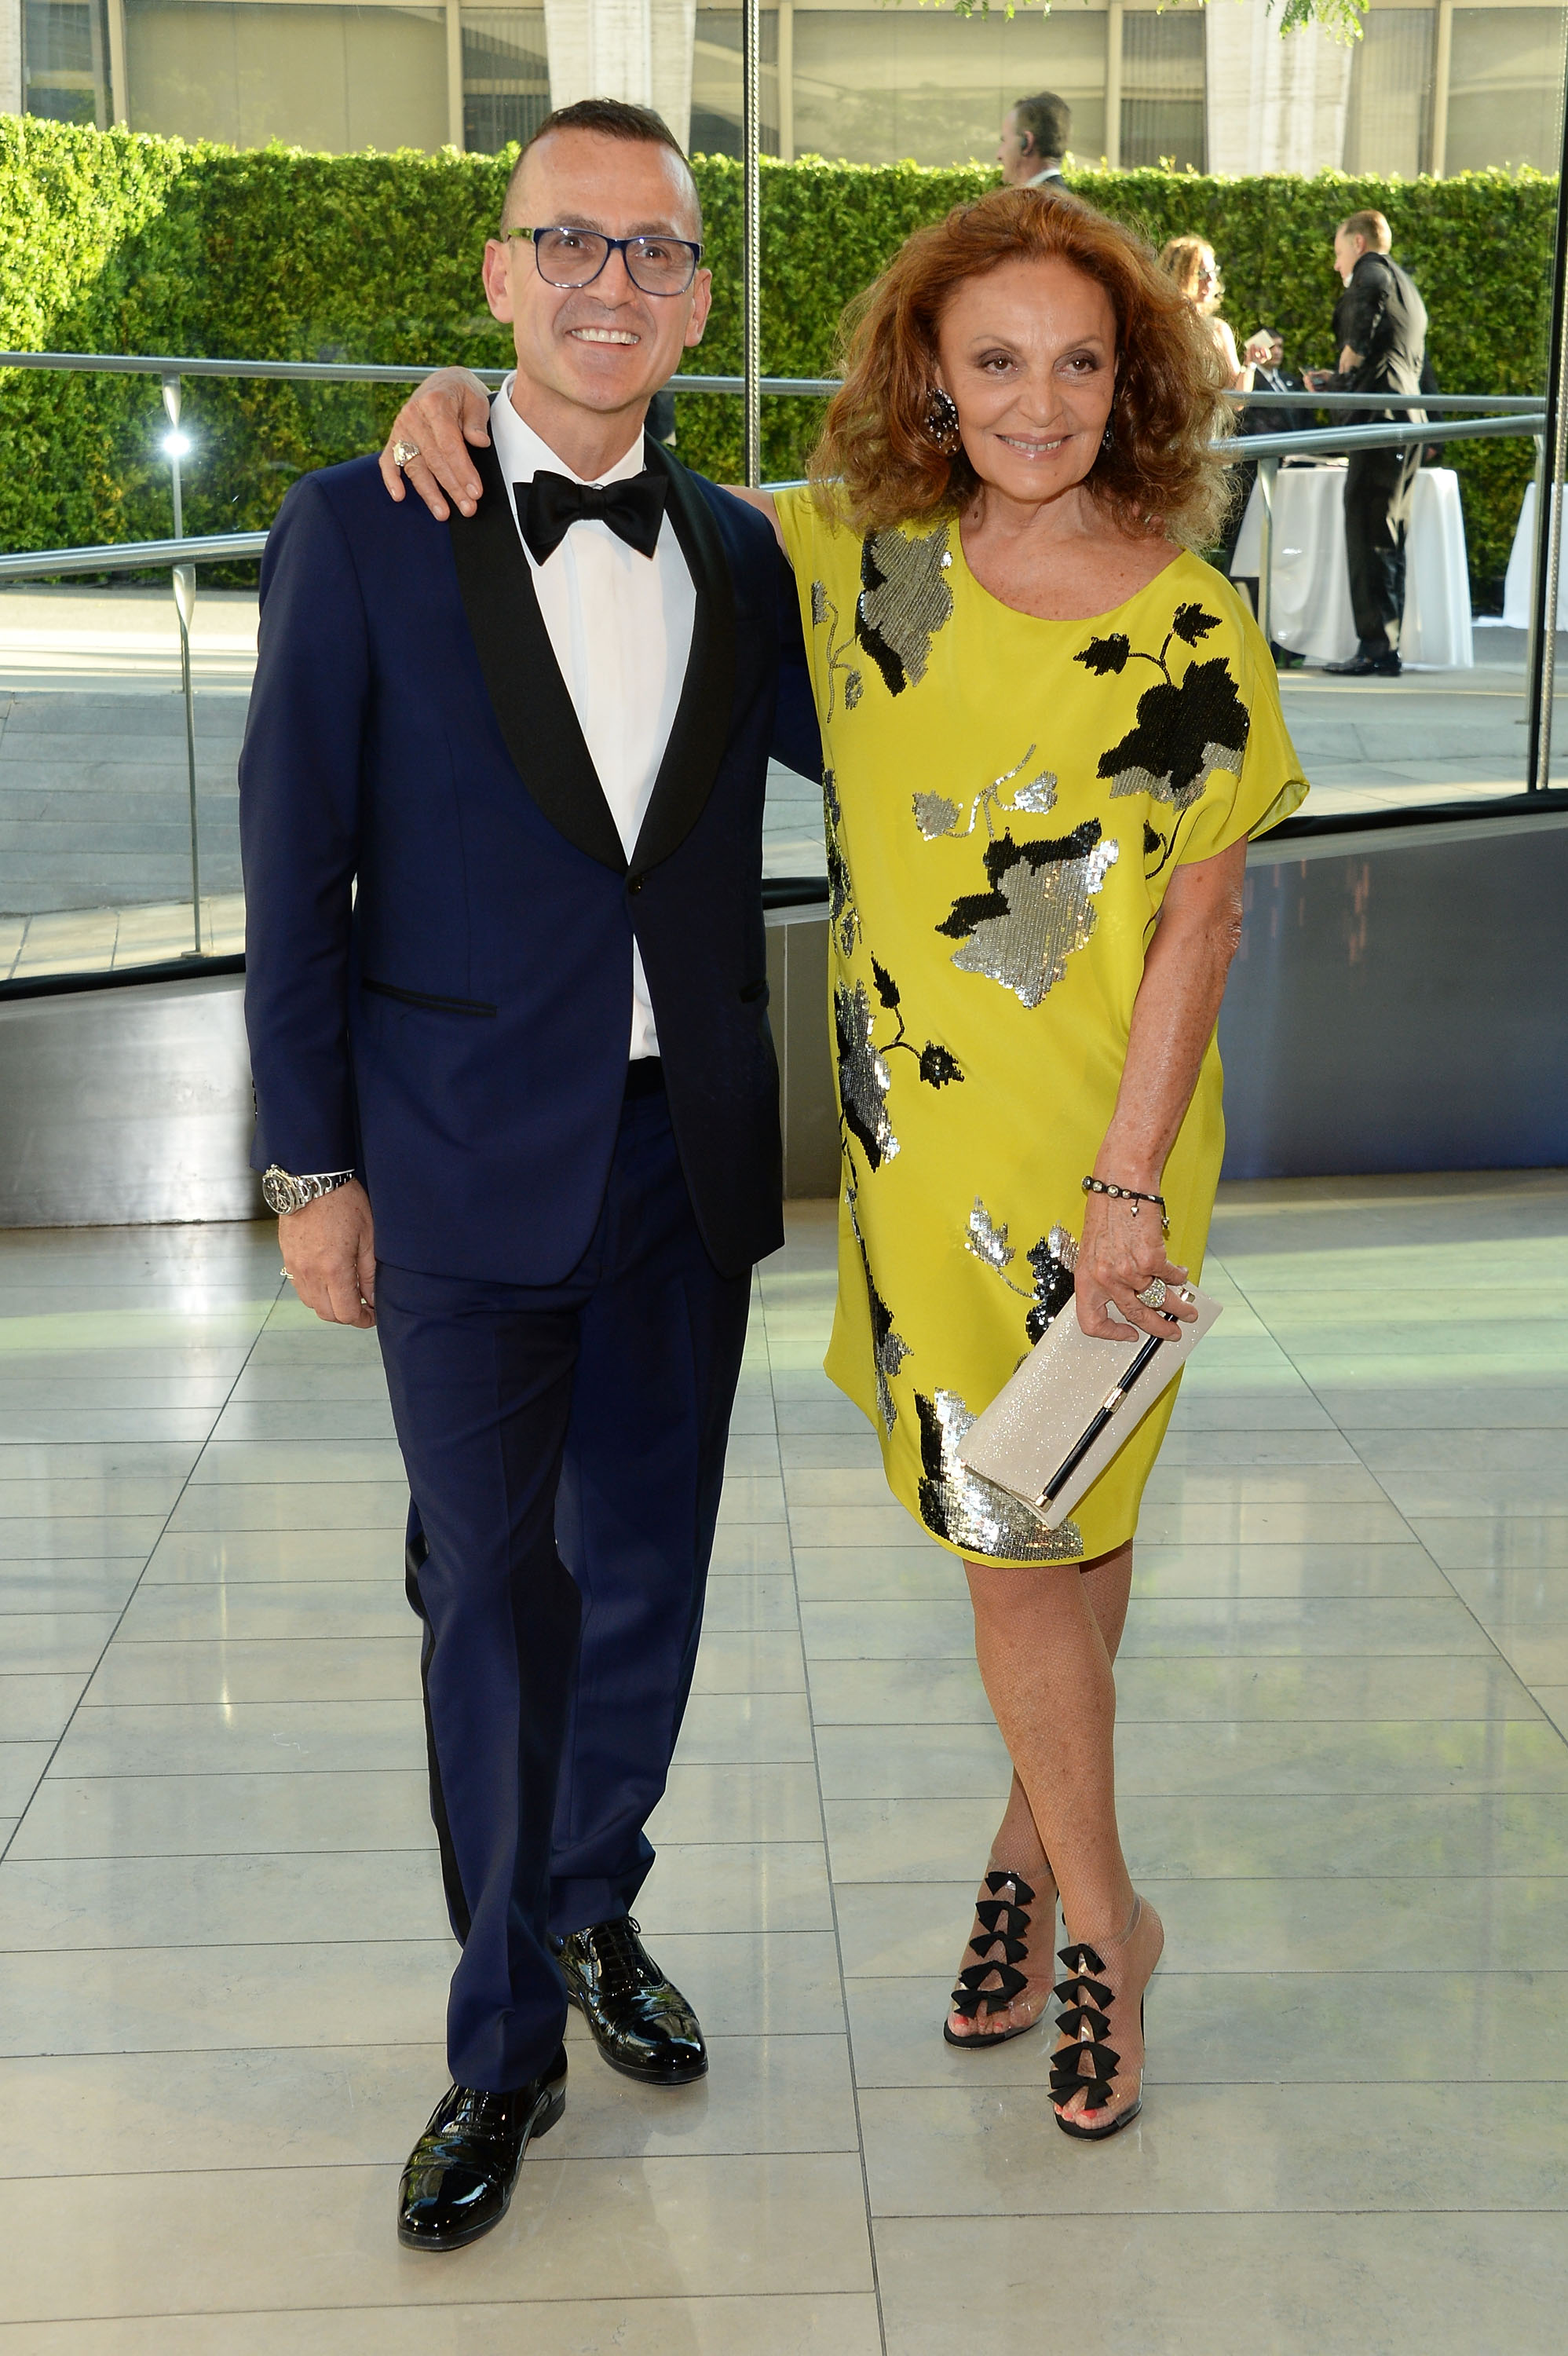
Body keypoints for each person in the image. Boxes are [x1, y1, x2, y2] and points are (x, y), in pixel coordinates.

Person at [382, 187, 1309, 2140]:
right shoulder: (863, 566)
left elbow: (1202, 927)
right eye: (995, 361)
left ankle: (1104, 1921)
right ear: (930, 378)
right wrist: (456, 391)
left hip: (1101, 1162)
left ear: (1131, 377)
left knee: (1017, 1534)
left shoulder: (1187, 620)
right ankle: (1028, 1835)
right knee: (1061, 1511)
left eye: (1079, 360)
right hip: (915, 1160)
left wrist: (1128, 1180)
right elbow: (610, 488)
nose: (1038, 402)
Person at [240, 96, 816, 2255]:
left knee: (646, 1580)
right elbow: (294, 872)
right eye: (562, 242)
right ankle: (496, 2043)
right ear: (496, 275)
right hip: (460, 1165)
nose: (607, 283)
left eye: (654, 251)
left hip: (685, 1160)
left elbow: (922, 731)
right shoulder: (360, 523)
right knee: (489, 1601)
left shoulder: (748, 557)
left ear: (692, 296)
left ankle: (592, 1907)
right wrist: (312, 1161)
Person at [1304, 209, 1427, 678]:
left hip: (1381, 421)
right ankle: (1384, 646)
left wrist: (1342, 371)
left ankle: (1375, 647)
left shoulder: (1372, 273)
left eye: (1338, 254)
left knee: (1367, 531)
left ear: (1357, 244)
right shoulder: (1407, 285)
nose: (1337, 266)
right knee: (1389, 534)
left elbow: (1364, 326)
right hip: (1407, 421)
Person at [1159, 236, 1270, 395]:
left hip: (1213, 419)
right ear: (1179, 275)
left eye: (1213, 271)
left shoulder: (1219, 328)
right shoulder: (1159, 325)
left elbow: (1238, 399)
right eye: (1202, 273)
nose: (1211, 279)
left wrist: (1250, 364)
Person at [998, 90, 1071, 186]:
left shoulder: (1038, 200)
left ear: (1027, 143)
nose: (998, 155)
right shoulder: (1062, 198)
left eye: (1004, 141)